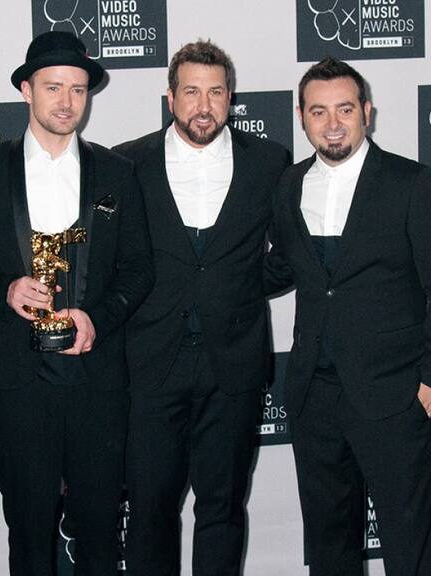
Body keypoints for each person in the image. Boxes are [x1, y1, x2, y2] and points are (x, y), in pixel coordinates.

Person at [0, 31, 154, 576]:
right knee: (28, 532)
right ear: (26, 90)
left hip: (98, 384)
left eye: (78, 90)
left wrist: (97, 320)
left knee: (100, 533)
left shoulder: (116, 173)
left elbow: (140, 270)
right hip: (19, 386)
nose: (66, 102)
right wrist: (5, 290)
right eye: (52, 87)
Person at [114, 40, 290, 576]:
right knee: (149, 510)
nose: (204, 106)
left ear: (230, 97)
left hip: (233, 364)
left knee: (222, 508)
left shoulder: (269, 161)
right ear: (170, 98)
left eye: (215, 92)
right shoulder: (127, 162)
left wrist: (237, 288)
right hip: (150, 364)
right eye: (191, 92)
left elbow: (290, 254)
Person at [265, 56, 431, 576]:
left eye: (344, 109)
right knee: (328, 545)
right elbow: (281, 268)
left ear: (367, 112)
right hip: (314, 394)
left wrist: (428, 380)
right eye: (318, 111)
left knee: (410, 545)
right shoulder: (288, 185)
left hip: (394, 393)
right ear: (301, 117)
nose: (332, 123)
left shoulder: (412, 183)